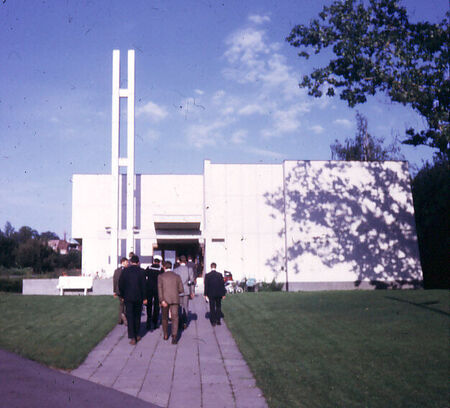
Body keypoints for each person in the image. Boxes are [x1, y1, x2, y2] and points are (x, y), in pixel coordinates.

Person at [119, 255, 147, 345]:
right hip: (138, 297)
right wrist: (145, 298)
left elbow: (121, 284)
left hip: (128, 297)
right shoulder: (142, 271)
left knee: (130, 316)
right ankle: (137, 334)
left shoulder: (125, 271)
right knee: (137, 316)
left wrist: (122, 295)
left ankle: (132, 336)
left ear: (130, 262)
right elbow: (144, 286)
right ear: (138, 262)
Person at [158, 261, 184, 344]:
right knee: (175, 318)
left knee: (164, 318)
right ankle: (174, 336)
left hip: (164, 300)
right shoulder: (177, 276)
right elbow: (181, 289)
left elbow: (159, 289)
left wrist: (161, 300)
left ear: (164, 267)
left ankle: (165, 334)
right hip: (175, 299)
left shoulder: (161, 276)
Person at [174, 255, 195, 329]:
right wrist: (192, 291)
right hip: (186, 290)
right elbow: (192, 282)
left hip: (178, 291)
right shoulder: (189, 269)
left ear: (179, 261)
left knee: (179, 307)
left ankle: (179, 322)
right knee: (185, 306)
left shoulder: (175, 270)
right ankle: (185, 322)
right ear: (185, 262)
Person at [145, 255, 164, 331]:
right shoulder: (161, 269)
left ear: (153, 261)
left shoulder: (148, 268)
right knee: (156, 306)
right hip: (157, 289)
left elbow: (145, 275)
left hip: (149, 288)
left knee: (149, 305)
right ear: (159, 262)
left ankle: (148, 321)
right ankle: (155, 322)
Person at [204, 262, 226, 326]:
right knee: (218, 307)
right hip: (218, 293)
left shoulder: (207, 275)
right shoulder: (220, 275)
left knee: (212, 307)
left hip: (211, 294)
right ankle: (218, 320)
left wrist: (205, 294)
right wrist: (223, 294)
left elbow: (206, 286)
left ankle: (213, 321)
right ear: (215, 267)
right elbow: (222, 285)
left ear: (211, 267)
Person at [113, 257, 128, 325]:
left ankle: (120, 319)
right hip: (126, 290)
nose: (127, 263)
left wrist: (115, 291)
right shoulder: (127, 270)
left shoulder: (116, 270)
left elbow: (115, 281)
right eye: (126, 262)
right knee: (126, 304)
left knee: (121, 304)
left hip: (118, 290)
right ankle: (124, 316)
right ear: (123, 262)